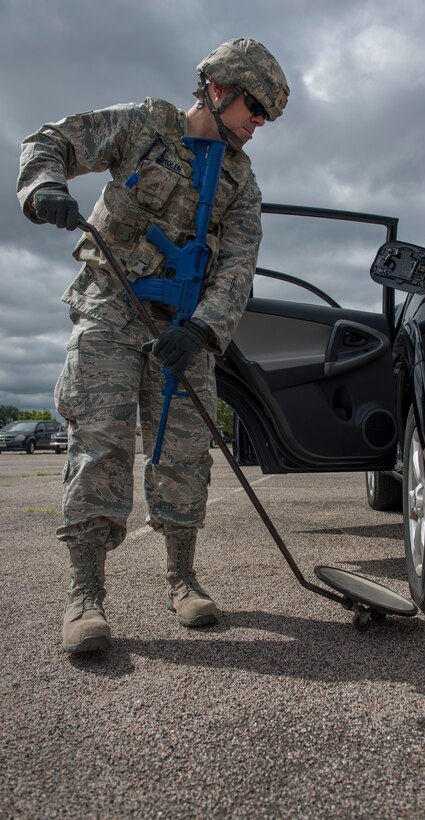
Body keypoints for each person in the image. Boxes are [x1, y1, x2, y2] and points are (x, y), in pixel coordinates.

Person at [17, 38, 289, 653]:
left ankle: (182, 578)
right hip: (112, 307)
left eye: (267, 115)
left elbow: (240, 265)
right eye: (254, 106)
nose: (258, 123)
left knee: (185, 455)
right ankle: (84, 594)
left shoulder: (241, 183)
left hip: (184, 327)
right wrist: (44, 187)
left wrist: (203, 328)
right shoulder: (143, 126)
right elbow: (50, 140)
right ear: (218, 89)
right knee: (99, 444)